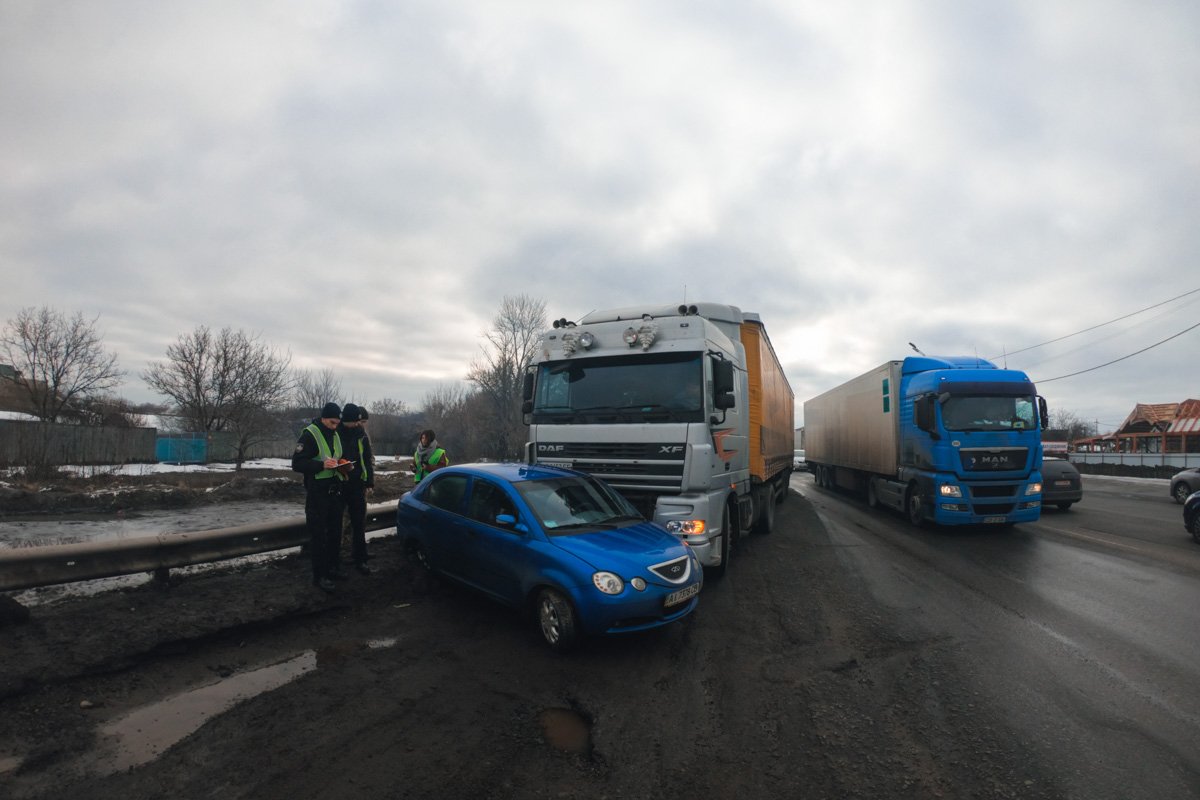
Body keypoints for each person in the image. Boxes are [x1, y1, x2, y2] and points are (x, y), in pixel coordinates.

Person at [292, 402, 351, 592]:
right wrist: (321, 466)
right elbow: (297, 463)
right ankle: (320, 576)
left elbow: (337, 455)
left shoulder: (334, 434)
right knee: (319, 536)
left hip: (335, 491)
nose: (336, 426)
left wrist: (343, 464)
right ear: (324, 418)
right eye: (333, 423)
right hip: (318, 493)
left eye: (337, 423)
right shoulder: (310, 434)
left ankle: (333, 568)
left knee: (335, 533)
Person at [339, 403, 376, 574]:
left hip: (357, 484)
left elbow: (367, 459)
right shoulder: (335, 433)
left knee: (359, 523)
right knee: (338, 524)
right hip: (339, 484)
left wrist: (369, 482)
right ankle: (337, 558)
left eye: (360, 422)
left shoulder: (361, 435)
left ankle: (360, 558)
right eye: (356, 421)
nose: (358, 425)